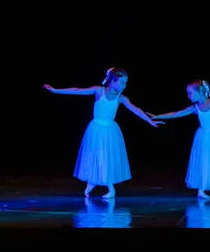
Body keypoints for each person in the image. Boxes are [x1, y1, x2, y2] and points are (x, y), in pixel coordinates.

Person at [43, 67, 164, 198]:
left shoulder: (121, 98)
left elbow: (136, 109)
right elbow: (77, 90)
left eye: (125, 82)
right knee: (94, 155)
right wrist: (56, 91)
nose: (125, 85)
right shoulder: (98, 91)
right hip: (95, 129)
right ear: (112, 82)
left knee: (106, 157)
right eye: (122, 82)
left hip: (110, 130)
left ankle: (110, 187)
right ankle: (93, 181)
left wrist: (149, 121)